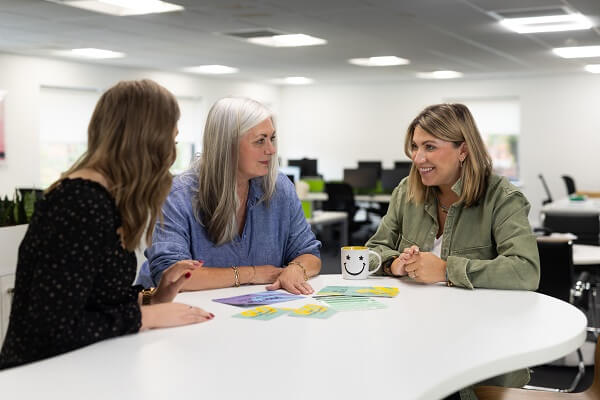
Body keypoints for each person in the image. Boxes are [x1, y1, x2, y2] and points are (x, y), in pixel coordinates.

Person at [0, 80, 213, 370]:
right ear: (147, 141)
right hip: (40, 377)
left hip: (83, 369)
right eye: (171, 142)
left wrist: (154, 297)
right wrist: (146, 318)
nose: (171, 155)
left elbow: (94, 298)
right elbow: (50, 329)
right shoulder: (79, 203)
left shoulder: (104, 199)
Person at [365, 103, 540, 399]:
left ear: (463, 150)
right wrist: (394, 264)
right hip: (412, 340)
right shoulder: (407, 190)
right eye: (415, 147)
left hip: (480, 351)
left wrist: (446, 270)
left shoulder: (502, 198)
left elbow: (525, 270)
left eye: (430, 147)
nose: (418, 158)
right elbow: (371, 252)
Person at [143, 97, 321, 295]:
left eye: (272, 139)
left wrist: (297, 269)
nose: (271, 150)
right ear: (227, 145)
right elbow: (171, 276)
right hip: (183, 315)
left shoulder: (279, 188)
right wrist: (251, 274)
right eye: (260, 140)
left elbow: (309, 253)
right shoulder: (178, 195)